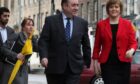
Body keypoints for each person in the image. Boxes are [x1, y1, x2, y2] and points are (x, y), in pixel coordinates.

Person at [38, 0, 91, 84]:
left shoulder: (82, 23)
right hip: (54, 69)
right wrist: (44, 56)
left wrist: (85, 63)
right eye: (73, 5)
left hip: (74, 69)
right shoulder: (50, 21)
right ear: (65, 6)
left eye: (77, 5)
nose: (77, 8)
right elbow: (43, 41)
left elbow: (86, 45)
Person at [92, 0, 137, 84]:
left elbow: (133, 43)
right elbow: (97, 45)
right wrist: (95, 61)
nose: (114, 9)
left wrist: (131, 50)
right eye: (111, 7)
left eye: (116, 7)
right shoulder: (101, 25)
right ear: (108, 9)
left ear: (120, 9)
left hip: (124, 64)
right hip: (107, 64)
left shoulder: (127, 24)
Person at [0, 18, 38, 84]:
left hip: (23, 69)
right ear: (23, 27)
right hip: (11, 67)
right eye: (28, 25)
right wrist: (16, 55)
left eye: (32, 25)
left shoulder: (31, 39)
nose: (31, 27)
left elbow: (38, 48)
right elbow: (3, 49)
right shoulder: (16, 36)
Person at [0, 7, 25, 82]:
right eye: (5, 16)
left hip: (9, 65)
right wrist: (15, 55)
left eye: (8, 16)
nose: (7, 18)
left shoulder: (11, 31)